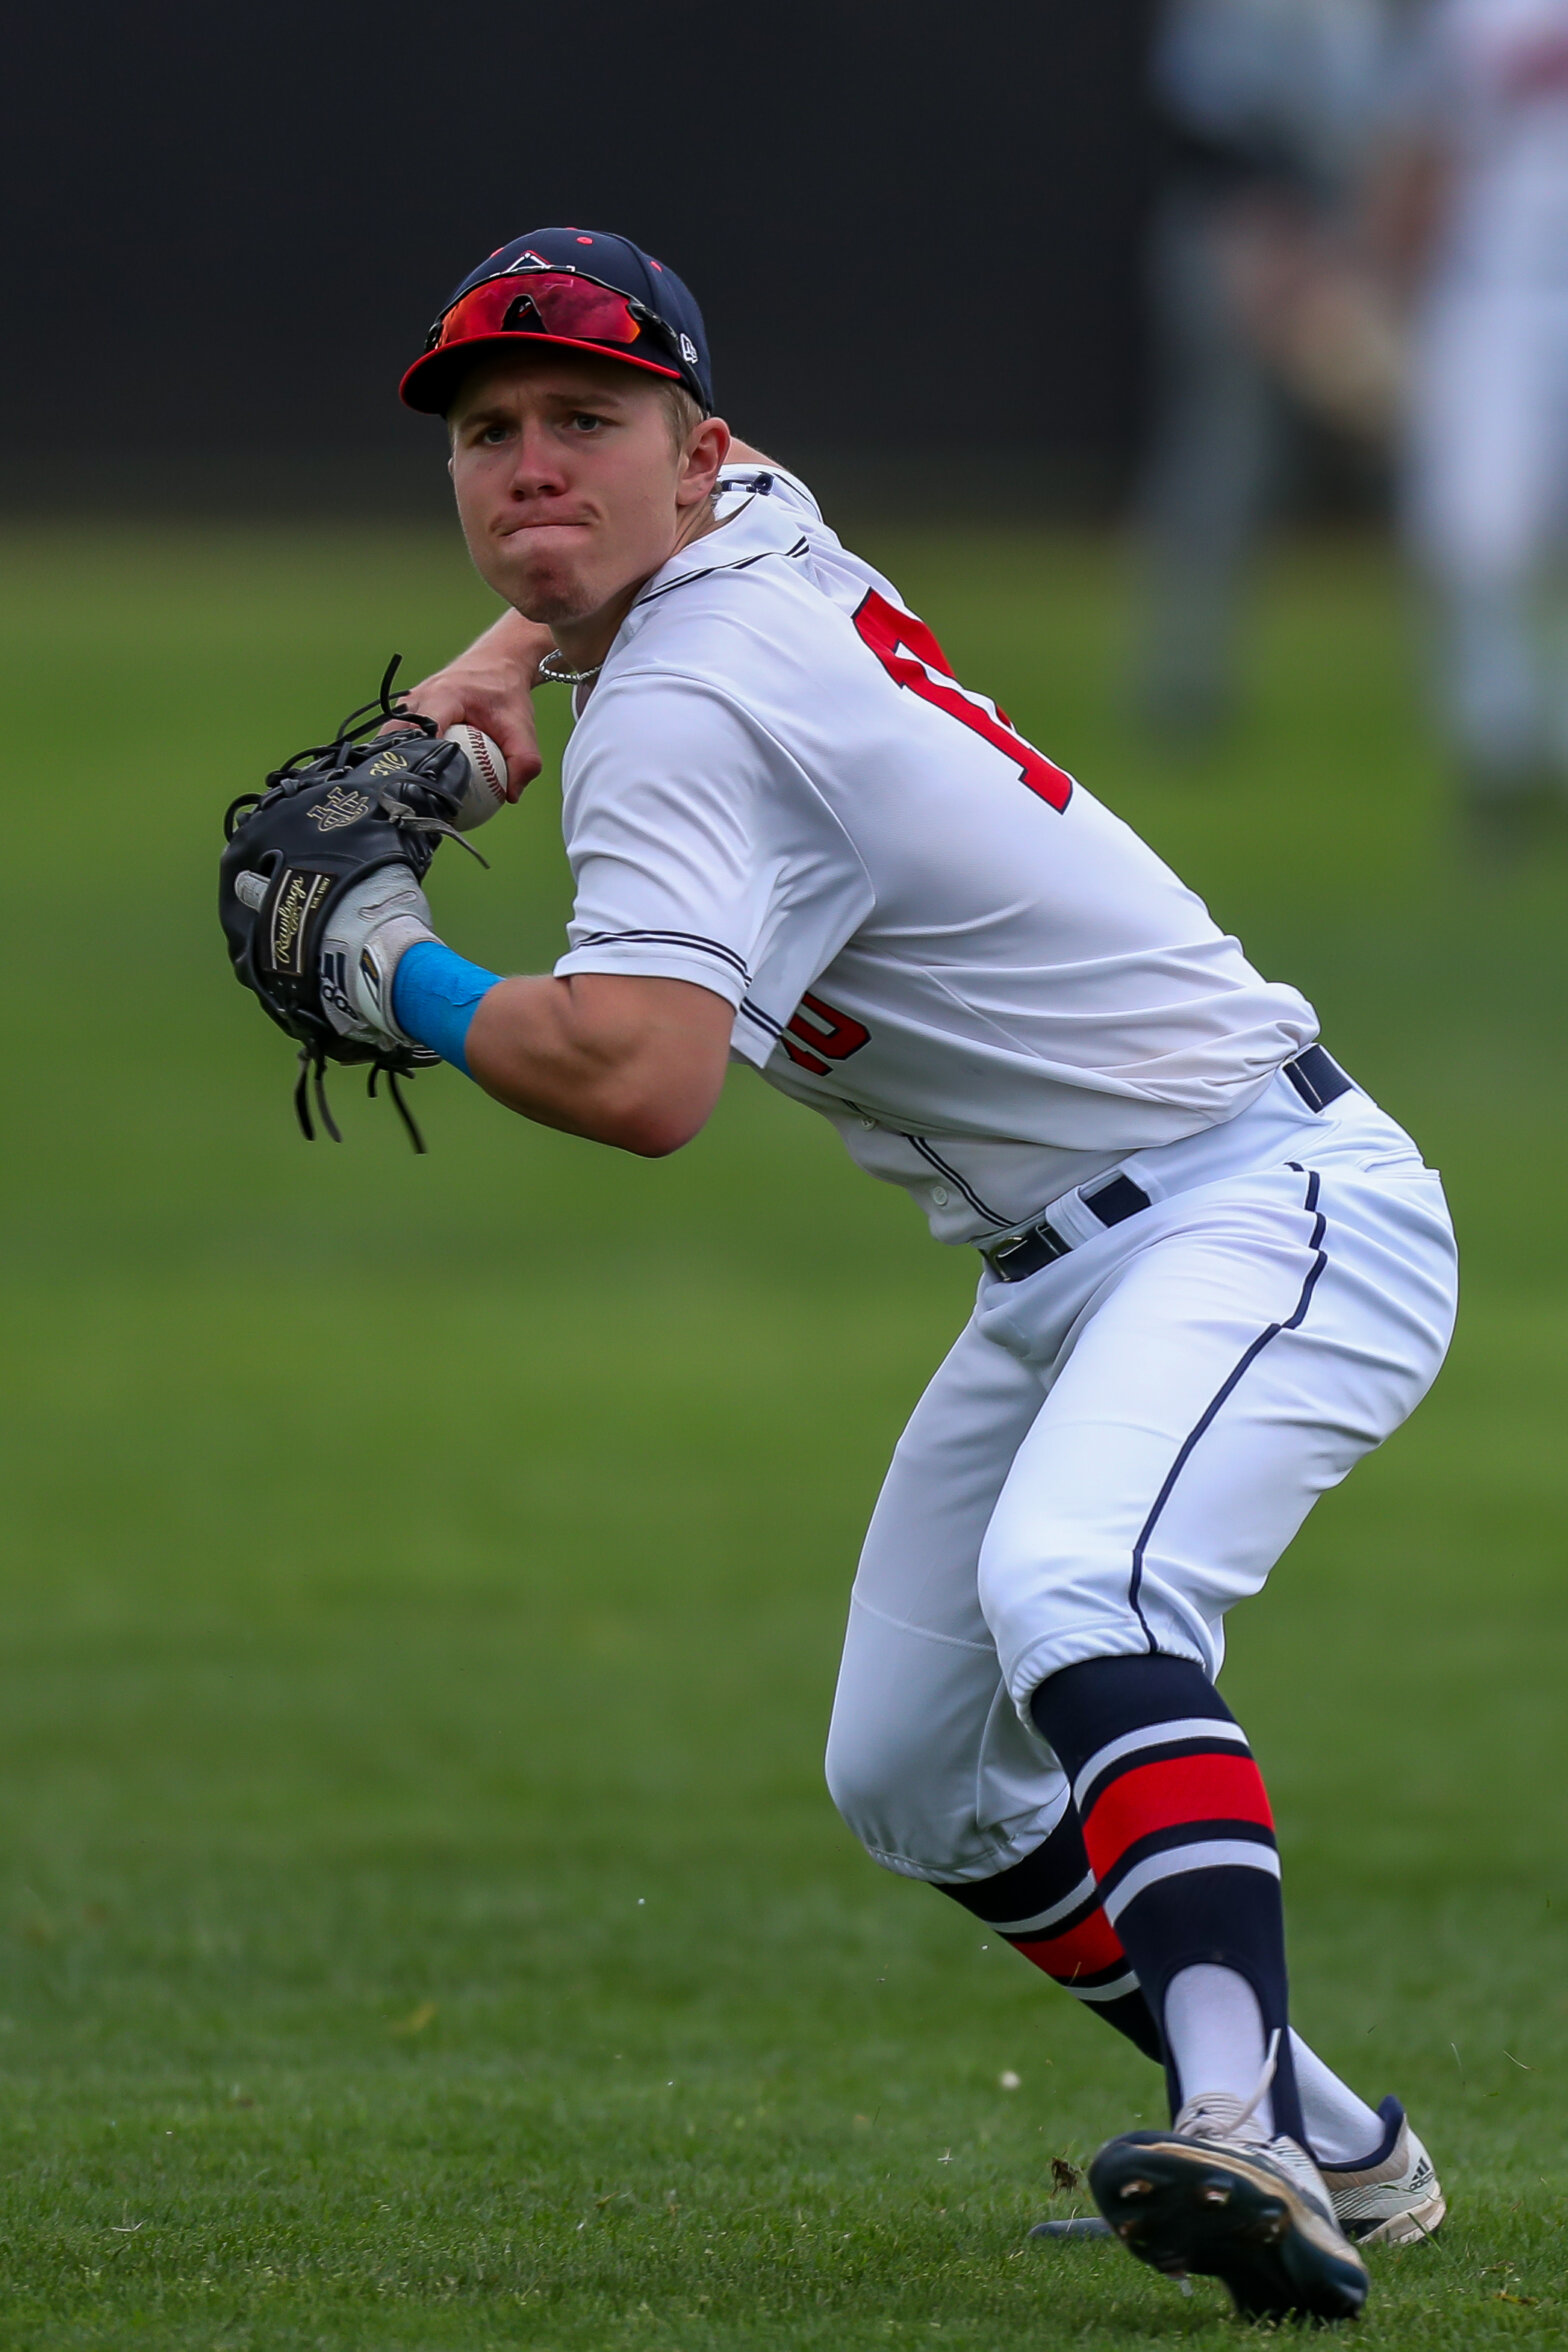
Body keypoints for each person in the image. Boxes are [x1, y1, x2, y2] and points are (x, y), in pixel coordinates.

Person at [335, 226, 1456, 2322]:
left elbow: (644, 1078)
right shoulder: (756, 532)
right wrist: (496, 677)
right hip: (1070, 1257)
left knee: (1082, 1596)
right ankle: (1349, 2143)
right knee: (915, 1776)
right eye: (490, 434)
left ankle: (1236, 2132)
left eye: (588, 420)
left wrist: (383, 964)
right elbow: (634, 555)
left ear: (698, 445)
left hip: (1270, 1207)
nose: (533, 466)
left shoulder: (685, 709)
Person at [1134, 0, 1399, 739]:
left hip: (1349, 240)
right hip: (1244, 236)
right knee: (1223, 458)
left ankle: (1478, 698)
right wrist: (1264, 236)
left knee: (1441, 470)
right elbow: (1203, 119)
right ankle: (1183, 686)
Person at [1370, 0, 1568, 821]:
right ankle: (1501, 754)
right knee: (1474, 534)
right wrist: (1388, 288)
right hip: (1492, 291)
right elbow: (1422, 141)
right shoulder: (1471, 12)